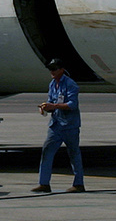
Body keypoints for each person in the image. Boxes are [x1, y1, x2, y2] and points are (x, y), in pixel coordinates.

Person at [33, 58, 84, 193]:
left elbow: (72, 105)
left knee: (74, 154)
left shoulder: (70, 84)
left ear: (62, 69)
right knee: (47, 152)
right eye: (50, 69)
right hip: (56, 125)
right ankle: (44, 183)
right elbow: (51, 101)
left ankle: (79, 184)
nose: (52, 71)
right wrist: (45, 108)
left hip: (70, 125)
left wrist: (53, 106)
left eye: (54, 69)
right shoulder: (52, 84)